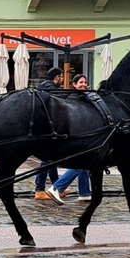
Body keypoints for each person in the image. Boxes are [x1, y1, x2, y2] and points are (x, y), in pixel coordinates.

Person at [45, 74, 92, 203]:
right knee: (81, 163)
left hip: (80, 138)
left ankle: (84, 192)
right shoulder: (75, 99)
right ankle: (57, 188)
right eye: (80, 82)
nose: (83, 84)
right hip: (75, 139)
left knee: (85, 163)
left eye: (85, 82)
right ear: (74, 85)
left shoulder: (82, 97)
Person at [32, 67, 64, 200]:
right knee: (47, 159)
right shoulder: (52, 90)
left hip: (43, 127)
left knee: (51, 158)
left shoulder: (42, 87)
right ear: (56, 78)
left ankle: (56, 186)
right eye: (61, 77)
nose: (62, 80)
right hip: (47, 128)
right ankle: (39, 188)